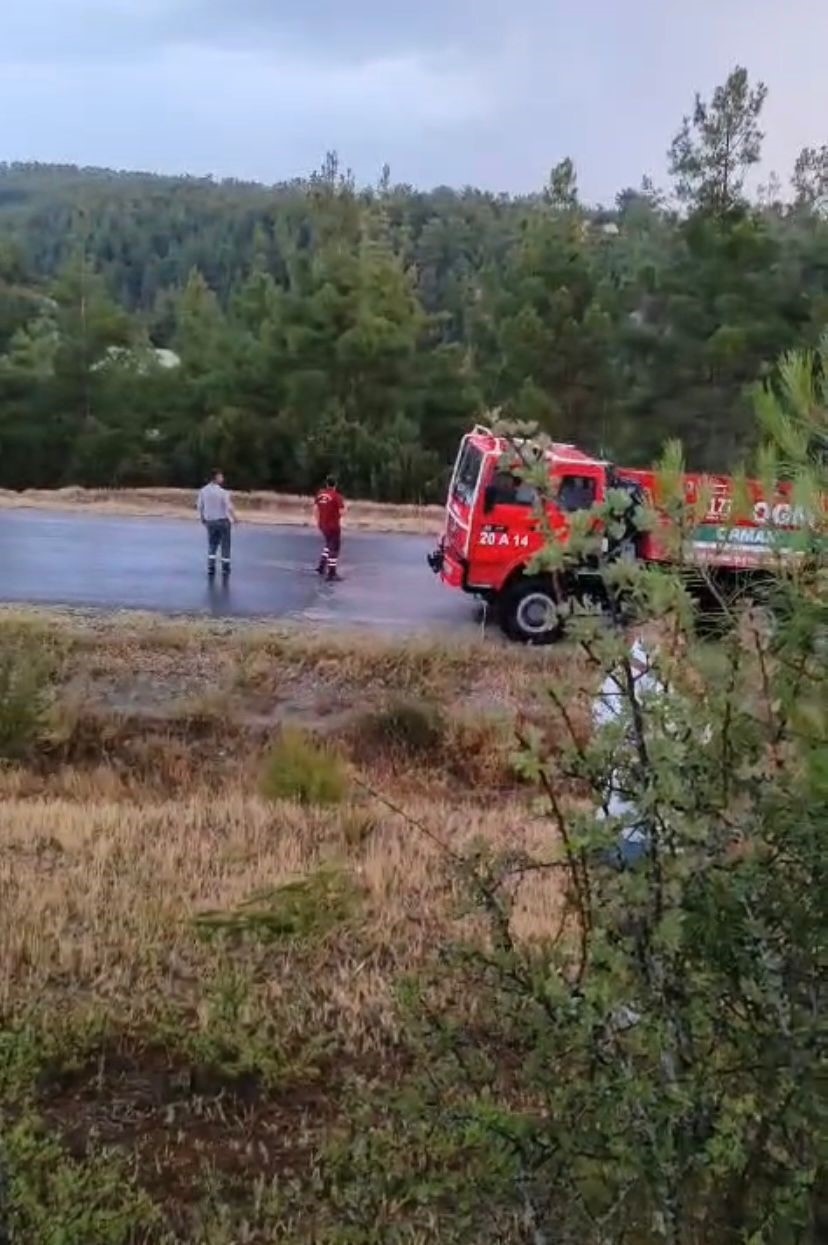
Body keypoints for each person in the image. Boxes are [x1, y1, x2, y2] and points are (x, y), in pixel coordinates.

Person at [197, 469, 236, 578]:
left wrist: (202, 518)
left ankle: (211, 567)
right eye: (221, 477)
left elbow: (200, 506)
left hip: (210, 521)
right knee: (225, 545)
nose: (222, 479)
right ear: (216, 477)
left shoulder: (203, 491)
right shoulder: (223, 492)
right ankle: (225, 568)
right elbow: (229, 506)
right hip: (223, 521)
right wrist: (235, 518)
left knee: (212, 544)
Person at [314, 475, 345, 581]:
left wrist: (319, 521)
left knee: (328, 544)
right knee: (334, 548)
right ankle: (332, 572)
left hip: (323, 525)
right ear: (335, 485)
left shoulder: (320, 495)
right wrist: (338, 516)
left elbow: (315, 509)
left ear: (326, 484)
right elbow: (342, 511)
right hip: (333, 526)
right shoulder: (337, 496)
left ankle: (321, 566)